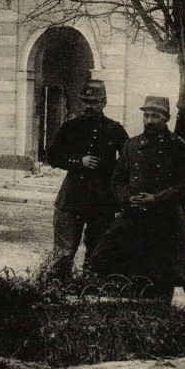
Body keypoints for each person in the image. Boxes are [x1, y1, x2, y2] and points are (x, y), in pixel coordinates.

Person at [87, 96, 185, 303]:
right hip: (133, 214)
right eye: (146, 116)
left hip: (164, 218)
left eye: (154, 116)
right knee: (103, 251)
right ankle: (117, 299)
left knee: (160, 270)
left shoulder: (178, 147)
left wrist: (156, 199)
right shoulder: (131, 145)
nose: (149, 121)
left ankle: (159, 308)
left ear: (166, 118)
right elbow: (117, 180)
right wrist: (128, 199)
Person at [44, 79, 128, 281]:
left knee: (98, 253)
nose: (89, 106)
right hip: (72, 198)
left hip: (102, 200)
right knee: (63, 253)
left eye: (94, 102)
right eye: (86, 102)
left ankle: (90, 289)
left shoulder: (114, 129)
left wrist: (113, 171)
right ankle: (57, 289)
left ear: (104, 102)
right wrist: (77, 162)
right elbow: (52, 156)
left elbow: (128, 158)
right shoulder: (70, 127)